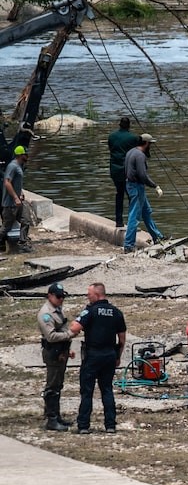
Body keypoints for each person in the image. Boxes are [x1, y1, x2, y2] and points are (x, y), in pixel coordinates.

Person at [69, 282, 126, 434]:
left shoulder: (90, 311)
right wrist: (118, 356)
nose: (88, 297)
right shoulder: (116, 312)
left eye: (89, 294)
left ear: (97, 294)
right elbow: (122, 339)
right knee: (107, 390)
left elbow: (74, 328)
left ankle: (83, 425)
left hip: (93, 355)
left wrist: (75, 321)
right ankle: (110, 425)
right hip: (109, 355)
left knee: (87, 391)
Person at [37, 282, 76, 431]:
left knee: (58, 385)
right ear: (50, 296)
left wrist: (67, 348)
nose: (61, 299)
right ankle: (51, 419)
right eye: (58, 297)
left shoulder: (58, 310)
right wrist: (70, 334)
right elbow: (51, 336)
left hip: (61, 352)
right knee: (52, 386)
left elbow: (62, 328)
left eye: (62, 297)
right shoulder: (46, 314)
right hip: (53, 352)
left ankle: (56, 416)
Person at [123, 133, 165, 252]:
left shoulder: (130, 152)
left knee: (146, 212)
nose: (150, 146)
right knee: (134, 217)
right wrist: (155, 186)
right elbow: (142, 175)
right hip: (136, 187)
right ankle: (128, 245)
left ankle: (158, 237)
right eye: (150, 144)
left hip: (130, 185)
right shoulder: (140, 155)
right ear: (146, 143)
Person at [107, 117, 140, 228]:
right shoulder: (133, 138)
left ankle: (119, 221)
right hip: (127, 171)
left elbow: (111, 149)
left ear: (119, 125)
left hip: (115, 170)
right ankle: (132, 223)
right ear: (129, 126)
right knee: (132, 196)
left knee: (119, 194)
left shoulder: (111, 136)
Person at [1, 144, 31, 253]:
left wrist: (21, 193)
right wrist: (15, 198)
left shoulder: (19, 166)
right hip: (10, 204)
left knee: (26, 221)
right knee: (6, 227)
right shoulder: (12, 166)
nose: (27, 156)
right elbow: (7, 182)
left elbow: (16, 183)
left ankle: (22, 243)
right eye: (25, 154)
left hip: (18, 202)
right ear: (20, 155)